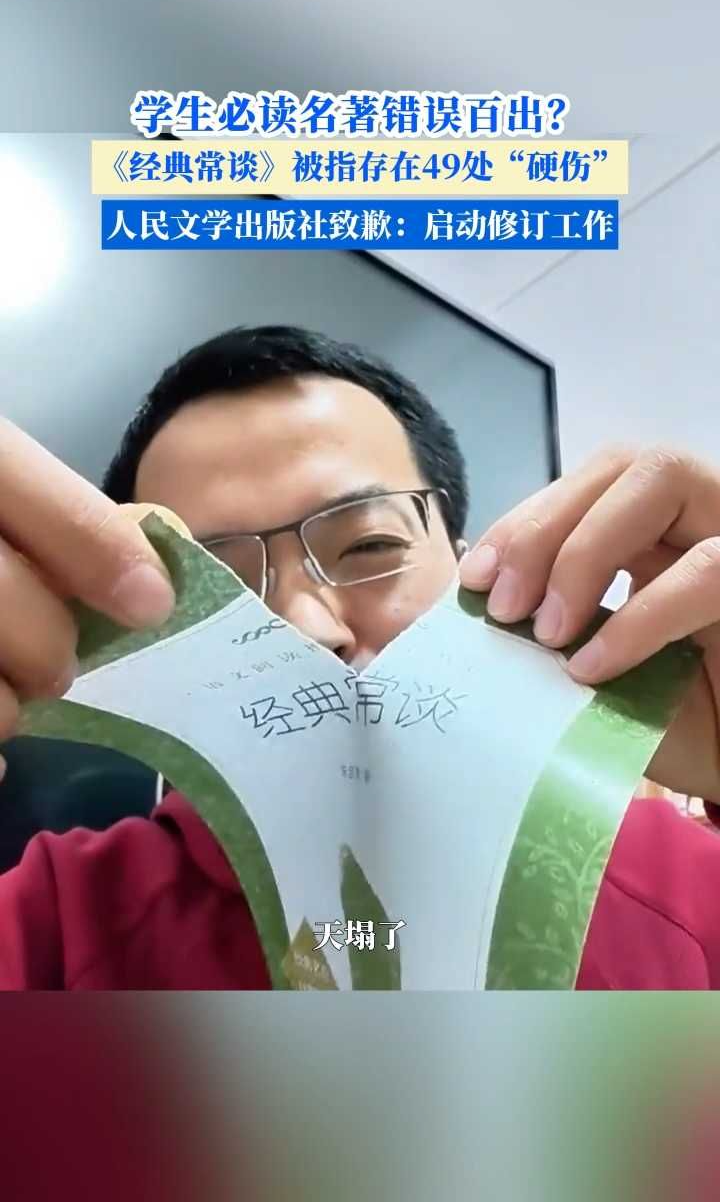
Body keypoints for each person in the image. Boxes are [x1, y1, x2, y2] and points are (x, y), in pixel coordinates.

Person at [2, 324, 720, 990]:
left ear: (472, 569)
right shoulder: (55, 921)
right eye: (217, 588)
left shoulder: (682, 882)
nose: (310, 628)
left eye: (371, 546)